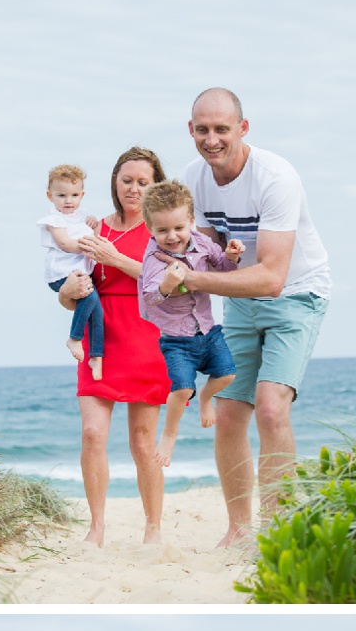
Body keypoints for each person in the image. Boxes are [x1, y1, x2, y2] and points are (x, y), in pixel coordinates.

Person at [179, 87, 332, 545]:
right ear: (191, 130)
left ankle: (279, 529)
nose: (212, 139)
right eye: (202, 130)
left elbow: (271, 279)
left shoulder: (275, 177)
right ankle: (240, 529)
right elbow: (202, 259)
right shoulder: (195, 178)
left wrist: (194, 280)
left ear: (242, 129)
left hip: (296, 295)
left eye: (222, 129)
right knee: (228, 414)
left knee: (269, 407)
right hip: (239, 300)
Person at [57, 147, 172, 546]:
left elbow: (168, 284)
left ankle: (153, 527)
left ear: (156, 185)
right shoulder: (91, 228)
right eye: (127, 181)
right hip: (100, 335)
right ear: (114, 183)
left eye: (143, 182)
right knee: (92, 433)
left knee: (143, 442)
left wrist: (116, 257)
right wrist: (66, 293)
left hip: (147, 338)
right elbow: (74, 291)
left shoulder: (165, 229)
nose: (134, 189)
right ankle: (97, 527)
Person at [137, 180, 245, 467]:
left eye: (178, 228)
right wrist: (167, 285)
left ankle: (206, 399)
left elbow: (222, 266)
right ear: (150, 228)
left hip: (208, 330)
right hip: (177, 339)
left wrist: (232, 256)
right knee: (182, 388)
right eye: (162, 230)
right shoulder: (153, 259)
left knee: (227, 375)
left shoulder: (201, 242)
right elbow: (149, 297)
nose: (172, 236)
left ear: (191, 221)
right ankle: (170, 434)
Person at [37, 164, 103, 378]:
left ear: (82, 195)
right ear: (50, 196)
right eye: (62, 195)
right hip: (61, 274)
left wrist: (92, 224)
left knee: (97, 311)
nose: (68, 200)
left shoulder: (80, 216)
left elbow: (92, 231)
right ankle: (74, 338)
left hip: (78, 274)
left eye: (74, 195)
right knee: (90, 298)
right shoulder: (54, 219)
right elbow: (65, 244)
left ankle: (96, 356)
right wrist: (90, 247)